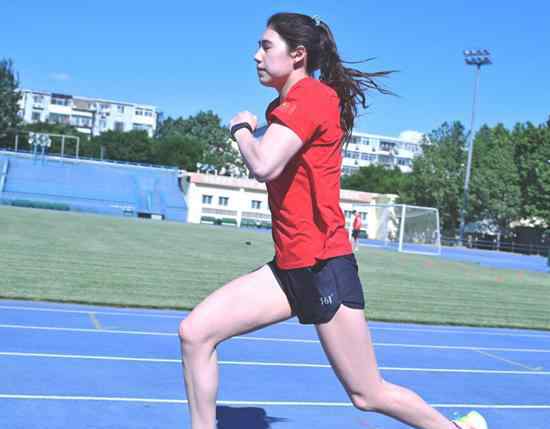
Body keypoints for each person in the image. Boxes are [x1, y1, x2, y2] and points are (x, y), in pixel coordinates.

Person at [178, 12, 487, 429]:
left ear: (299, 54)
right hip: (289, 267)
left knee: (367, 393)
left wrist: (241, 130)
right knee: (195, 333)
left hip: (324, 267)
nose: (256, 55)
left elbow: (265, 164)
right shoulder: (285, 105)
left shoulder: (311, 98)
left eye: (266, 46)